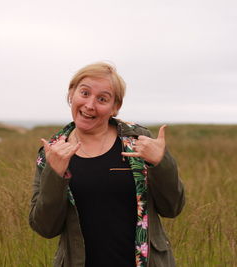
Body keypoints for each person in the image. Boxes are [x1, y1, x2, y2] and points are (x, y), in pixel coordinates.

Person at [29, 62, 185, 267]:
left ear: (115, 107)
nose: (90, 105)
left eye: (102, 99)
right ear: (71, 94)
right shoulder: (52, 153)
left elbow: (172, 208)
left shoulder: (138, 141)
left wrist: (160, 163)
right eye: (84, 93)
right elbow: (45, 228)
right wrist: (55, 175)